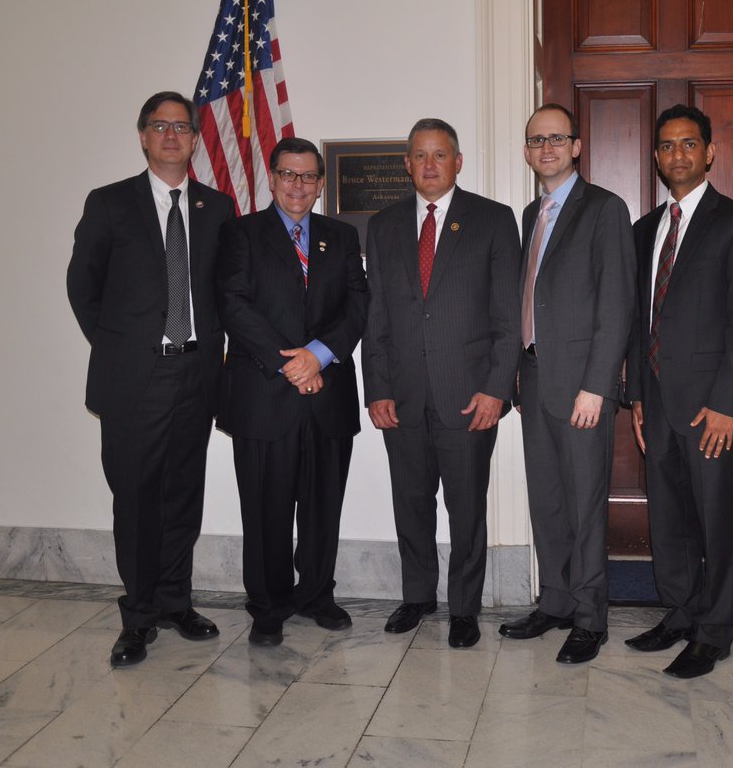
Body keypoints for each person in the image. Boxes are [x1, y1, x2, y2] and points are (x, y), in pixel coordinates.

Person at [67, 91, 235, 667]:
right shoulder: (110, 203)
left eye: (181, 127)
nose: (170, 135)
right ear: (143, 136)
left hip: (197, 373)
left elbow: (225, 290)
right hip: (134, 380)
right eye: (159, 126)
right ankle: (138, 617)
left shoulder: (218, 208)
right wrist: (121, 349)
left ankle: (174, 602)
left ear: (194, 140)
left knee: (183, 494)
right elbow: (83, 287)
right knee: (137, 498)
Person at [362, 118, 521, 648]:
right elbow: (376, 316)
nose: (430, 165)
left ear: (458, 161)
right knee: (410, 503)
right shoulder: (383, 225)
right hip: (401, 395)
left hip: (469, 397)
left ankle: (465, 608)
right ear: (407, 164)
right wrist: (377, 389)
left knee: (466, 508)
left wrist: (497, 389)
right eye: (420, 155)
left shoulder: (493, 220)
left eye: (440, 154)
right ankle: (417, 596)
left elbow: (508, 316)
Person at [624, 105, 733, 678]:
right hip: (657, 402)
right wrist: (637, 396)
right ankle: (680, 612)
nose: (677, 154)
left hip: (713, 407)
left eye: (688, 143)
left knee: (715, 519)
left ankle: (714, 630)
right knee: (668, 517)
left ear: (709, 152)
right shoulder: (644, 231)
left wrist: (729, 405)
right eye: (667, 145)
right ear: (657, 157)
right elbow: (639, 322)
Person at [215, 137, 369, 646]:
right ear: (272, 178)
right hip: (263, 396)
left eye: (307, 176)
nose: (297, 185)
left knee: (324, 506)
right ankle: (268, 604)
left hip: (328, 397)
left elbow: (358, 304)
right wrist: (293, 364)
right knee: (266, 510)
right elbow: (233, 305)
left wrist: (318, 356)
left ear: (320, 183)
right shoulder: (240, 233)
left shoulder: (341, 236)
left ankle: (317, 595)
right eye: (288, 174)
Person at [498, 104, 635, 664]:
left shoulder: (604, 209)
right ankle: (554, 601)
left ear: (576, 146)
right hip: (535, 381)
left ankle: (589, 617)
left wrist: (598, 385)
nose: (546, 148)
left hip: (582, 386)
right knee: (548, 502)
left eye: (557, 138)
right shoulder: (531, 213)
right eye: (537, 140)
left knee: (584, 507)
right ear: (526, 151)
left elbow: (617, 304)